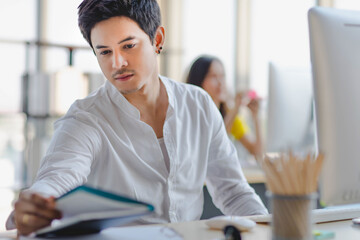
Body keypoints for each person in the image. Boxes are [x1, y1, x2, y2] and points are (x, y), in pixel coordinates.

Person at [7, 0, 267, 236]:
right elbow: (57, 178)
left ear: (157, 39)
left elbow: (234, 191)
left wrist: (271, 229)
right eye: (104, 52)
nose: (117, 63)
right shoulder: (86, 119)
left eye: (128, 46)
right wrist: (37, 202)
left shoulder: (199, 105)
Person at [186, 55, 263, 162]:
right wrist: (235, 109)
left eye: (222, 76)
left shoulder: (230, 115)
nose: (220, 83)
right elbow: (216, 145)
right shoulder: (190, 115)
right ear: (199, 81)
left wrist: (256, 116)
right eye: (213, 76)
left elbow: (257, 151)